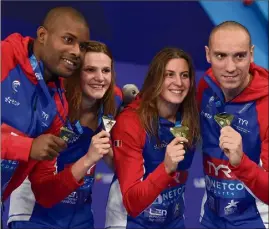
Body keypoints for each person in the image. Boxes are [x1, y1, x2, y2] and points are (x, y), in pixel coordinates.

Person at [8, 41, 121, 229]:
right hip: (36, 213)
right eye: (90, 70)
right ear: (75, 73)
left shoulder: (112, 102)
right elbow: (45, 192)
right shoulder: (52, 108)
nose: (100, 78)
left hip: (80, 217)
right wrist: (88, 159)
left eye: (106, 71)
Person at [1, 6, 90, 202]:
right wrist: (27, 147)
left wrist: (87, 162)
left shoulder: (59, 105)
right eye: (68, 40)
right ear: (42, 35)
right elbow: (29, 148)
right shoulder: (4, 57)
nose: (76, 52)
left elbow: (44, 192)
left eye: (82, 46)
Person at [105, 47, 200, 228]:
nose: (178, 82)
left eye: (184, 75)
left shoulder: (191, 117)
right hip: (129, 222)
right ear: (156, 79)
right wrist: (166, 168)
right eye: (169, 75)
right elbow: (132, 203)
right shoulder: (131, 121)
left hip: (173, 222)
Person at [197, 21, 268, 228]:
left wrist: (240, 163)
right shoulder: (207, 84)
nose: (230, 68)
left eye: (239, 56)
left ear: (251, 54)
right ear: (208, 54)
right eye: (220, 56)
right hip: (210, 217)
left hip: (256, 221)